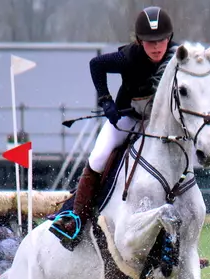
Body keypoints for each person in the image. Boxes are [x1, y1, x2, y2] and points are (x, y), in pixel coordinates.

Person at [50, 6, 178, 250]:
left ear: (169, 38)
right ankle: (77, 218)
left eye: (161, 40)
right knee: (98, 157)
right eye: (150, 42)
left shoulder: (177, 57)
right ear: (140, 41)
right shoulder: (129, 57)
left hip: (159, 125)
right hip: (127, 119)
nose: (156, 47)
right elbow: (96, 64)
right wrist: (106, 99)